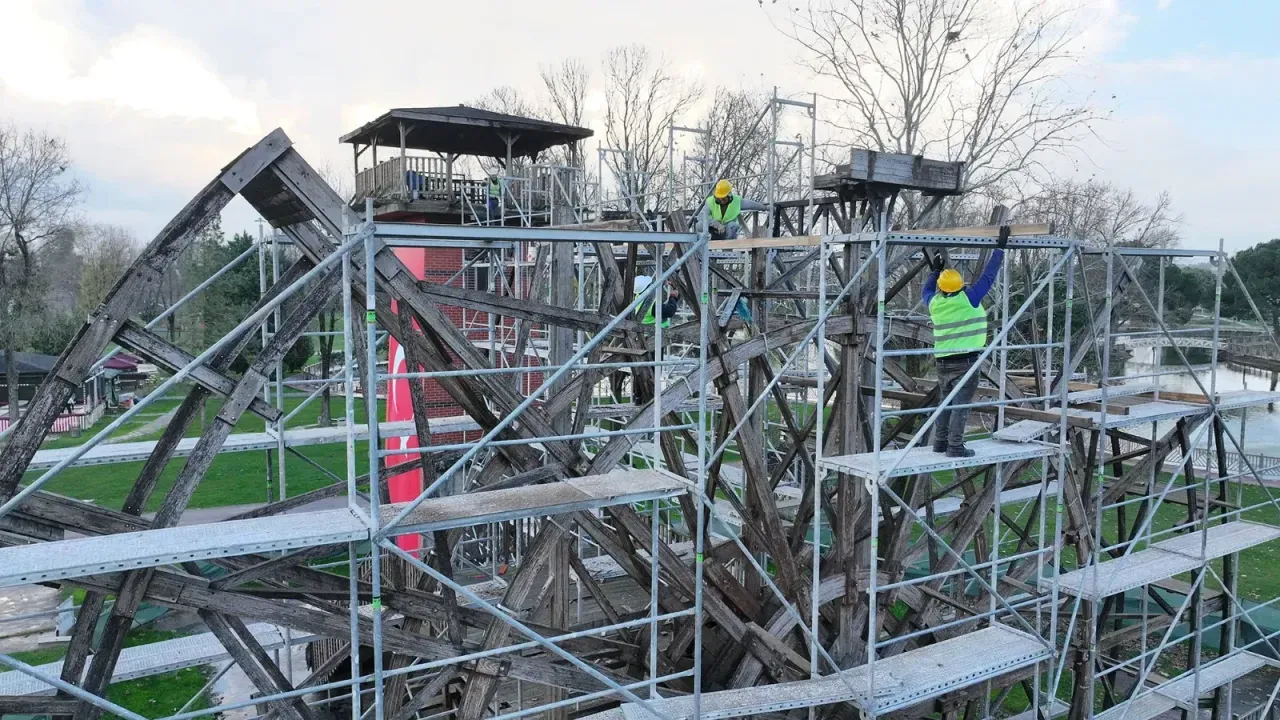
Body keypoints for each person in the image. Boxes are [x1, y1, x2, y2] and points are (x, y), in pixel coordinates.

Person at [922, 234, 1007, 457]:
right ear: (960, 286)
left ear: (941, 288)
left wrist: (934, 271)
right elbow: (988, 277)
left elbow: (926, 290)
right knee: (960, 406)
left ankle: (940, 443)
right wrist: (1000, 249)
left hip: (942, 362)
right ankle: (955, 447)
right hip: (966, 362)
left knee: (946, 402)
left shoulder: (934, 303)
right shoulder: (969, 298)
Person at [700, 179, 767, 240]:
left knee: (733, 226)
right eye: (718, 198)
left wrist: (765, 208)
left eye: (723, 198)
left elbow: (751, 205)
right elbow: (702, 216)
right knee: (700, 225)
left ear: (729, 195)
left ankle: (727, 248)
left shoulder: (737, 201)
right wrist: (717, 225)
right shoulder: (710, 201)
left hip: (726, 230)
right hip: (712, 228)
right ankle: (706, 244)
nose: (721, 200)